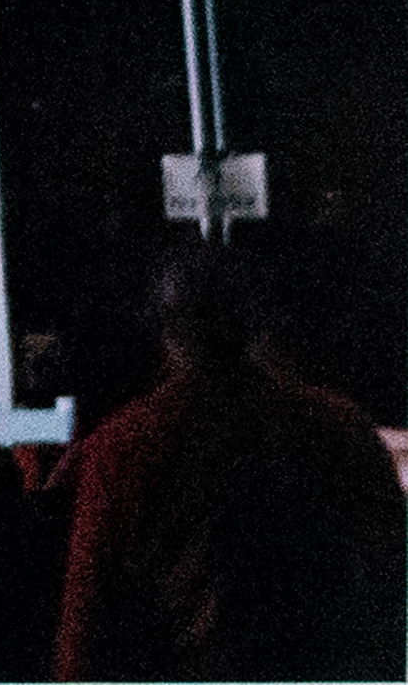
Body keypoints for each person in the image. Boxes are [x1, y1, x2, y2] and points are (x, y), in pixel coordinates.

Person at [51, 241, 406, 680]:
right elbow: (392, 572)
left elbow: (82, 634)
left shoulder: (122, 447)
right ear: (255, 322)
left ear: (167, 332)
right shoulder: (336, 426)